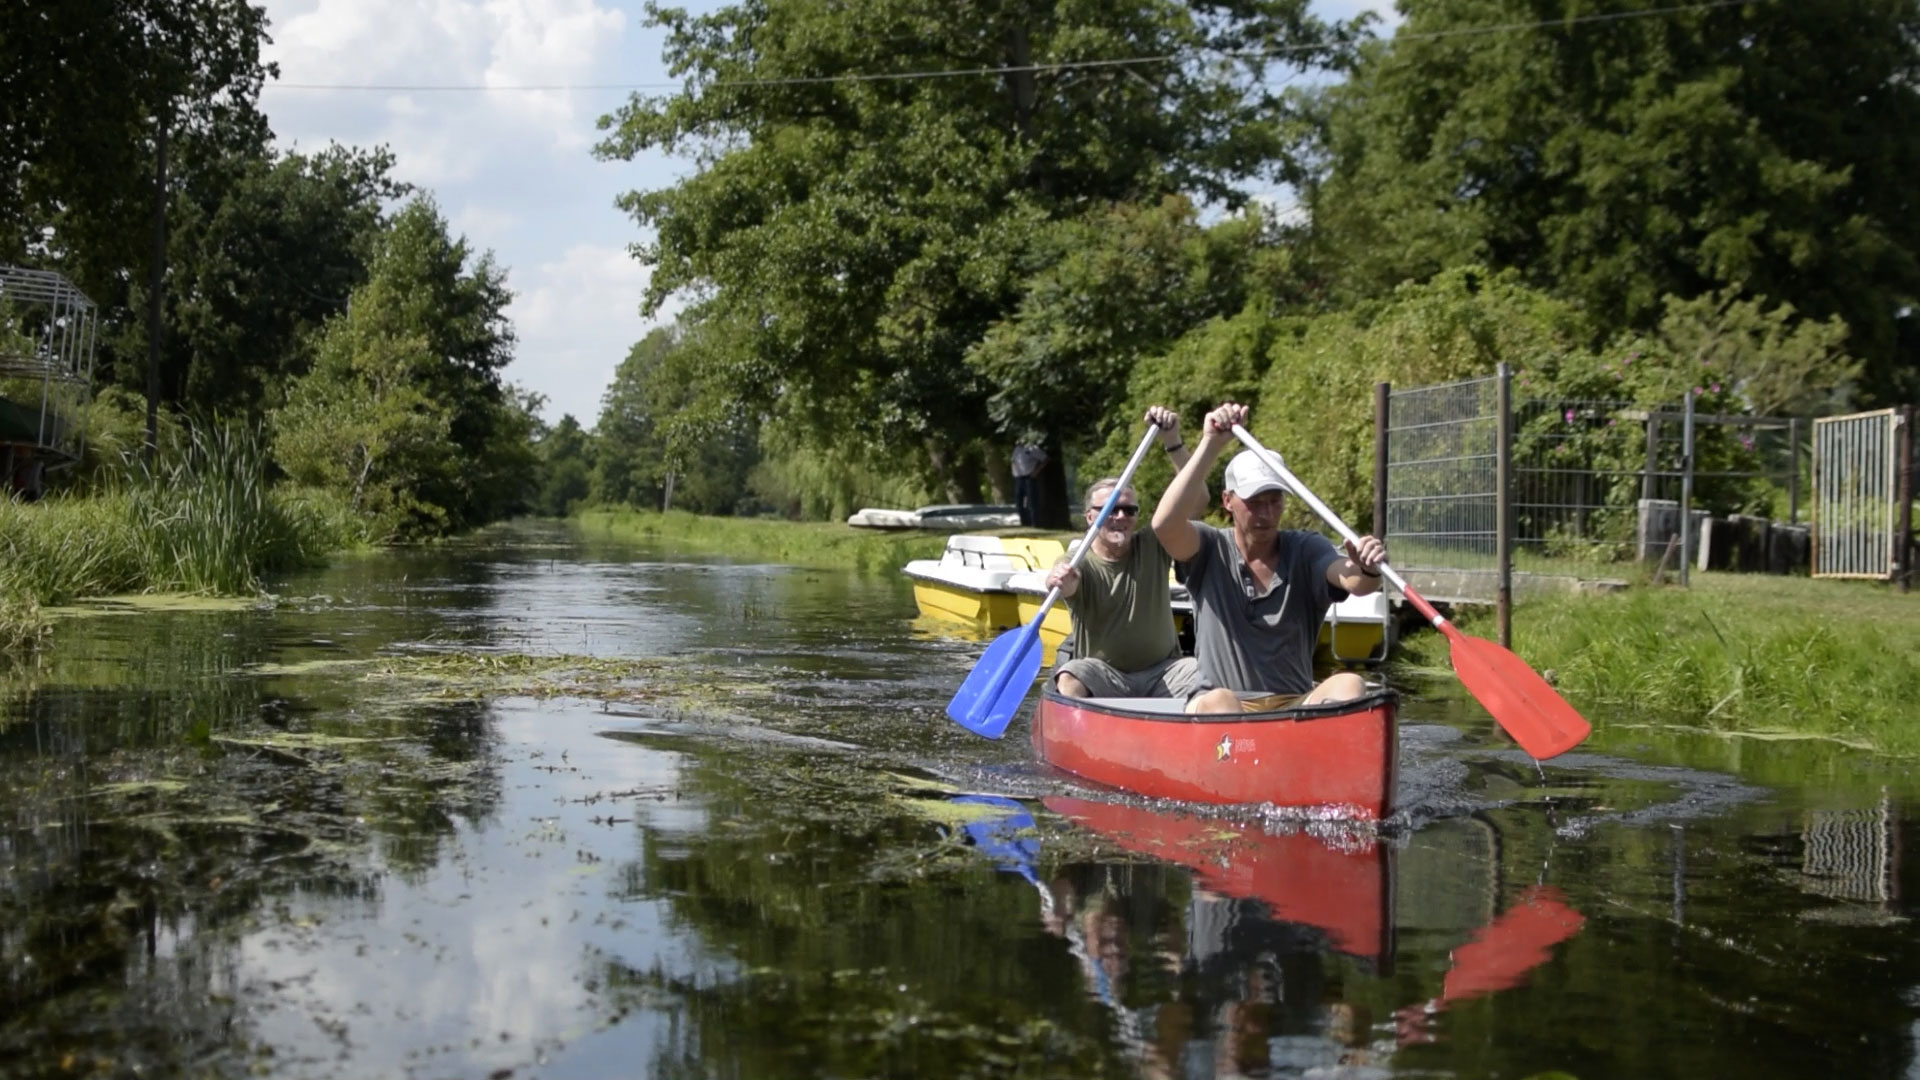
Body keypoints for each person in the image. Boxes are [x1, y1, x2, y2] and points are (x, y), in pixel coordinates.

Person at [1151, 403, 1387, 714]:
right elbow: (1164, 526)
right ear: (1228, 501)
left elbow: (1353, 580)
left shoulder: (1306, 548)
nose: (1266, 513)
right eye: (1254, 502)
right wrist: (1211, 443)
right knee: (1221, 703)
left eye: (1274, 501)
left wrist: (1367, 568)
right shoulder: (1208, 546)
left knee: (1350, 685)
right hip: (1222, 706)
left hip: (1291, 708)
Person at [1045, 406, 1208, 700]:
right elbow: (1067, 582)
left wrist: (1173, 441)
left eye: (1129, 510)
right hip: (1104, 674)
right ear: (1090, 517)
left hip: (1165, 671)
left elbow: (1198, 499)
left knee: (1207, 673)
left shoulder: (1154, 544)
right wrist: (1062, 582)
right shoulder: (1077, 560)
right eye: (1110, 510)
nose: (1120, 516)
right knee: (1070, 677)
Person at [1010, 441, 1048, 526]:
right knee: (1019, 502)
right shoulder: (1017, 449)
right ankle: (1024, 523)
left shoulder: (1032, 448)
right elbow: (1013, 461)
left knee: (1032, 502)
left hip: (1029, 477)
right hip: (1018, 478)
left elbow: (1045, 459)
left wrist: (1036, 471)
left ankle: (1035, 523)